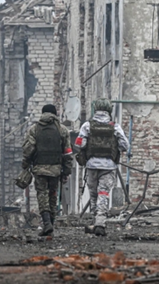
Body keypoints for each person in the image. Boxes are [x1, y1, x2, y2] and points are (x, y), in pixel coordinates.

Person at [75, 98, 129, 236]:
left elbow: (79, 144)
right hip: (109, 166)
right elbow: (125, 145)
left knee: (93, 195)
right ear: (108, 110)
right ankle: (100, 223)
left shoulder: (87, 126)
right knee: (103, 193)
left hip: (91, 165)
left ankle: (95, 221)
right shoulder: (115, 126)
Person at [22, 103, 72, 237]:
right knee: (53, 195)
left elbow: (28, 150)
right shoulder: (62, 130)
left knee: (42, 194)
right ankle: (51, 223)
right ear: (55, 114)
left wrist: (25, 165)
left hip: (39, 168)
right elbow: (67, 153)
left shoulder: (34, 129)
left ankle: (46, 223)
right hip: (56, 169)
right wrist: (66, 171)